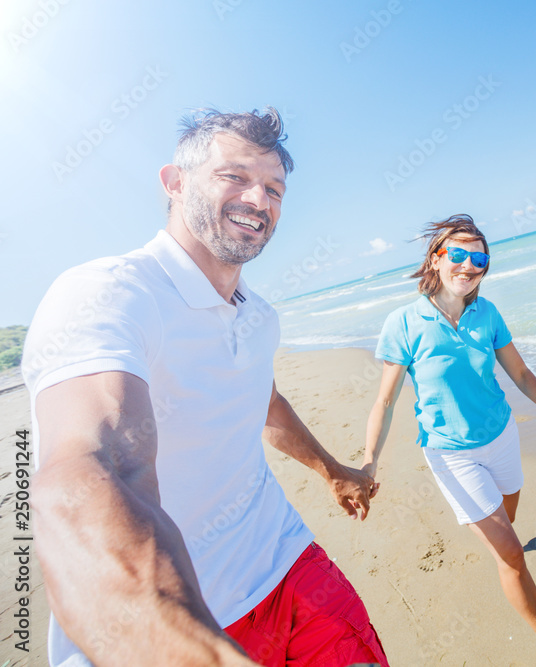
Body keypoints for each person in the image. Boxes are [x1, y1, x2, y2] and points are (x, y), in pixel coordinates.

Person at [22, 108, 387, 666]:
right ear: (174, 182)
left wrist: (334, 471)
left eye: (274, 189)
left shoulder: (260, 317)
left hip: (289, 564)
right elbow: (89, 473)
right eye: (235, 177)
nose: (259, 200)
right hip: (174, 622)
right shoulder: (109, 293)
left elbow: (263, 403)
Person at [362, 214, 536, 666]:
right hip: (451, 455)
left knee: (509, 525)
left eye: (478, 257)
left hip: (502, 436)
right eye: (458, 254)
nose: (468, 265)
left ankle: (506, 550)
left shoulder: (487, 314)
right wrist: (369, 462)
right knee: (512, 554)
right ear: (436, 258)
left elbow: (519, 373)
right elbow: (384, 403)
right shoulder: (404, 323)